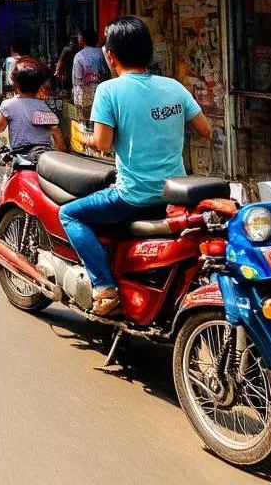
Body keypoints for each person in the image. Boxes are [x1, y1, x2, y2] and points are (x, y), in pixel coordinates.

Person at [58, 17, 212, 316]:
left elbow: (103, 144)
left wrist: (84, 137)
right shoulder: (174, 87)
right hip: (173, 196)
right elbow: (205, 129)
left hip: (133, 196)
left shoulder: (109, 91)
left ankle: (104, 286)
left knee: (70, 214)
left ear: (110, 55)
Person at [0, 57, 66, 153]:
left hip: (20, 159)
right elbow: (61, 145)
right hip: (43, 161)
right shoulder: (44, 107)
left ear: (16, 83)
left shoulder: (8, 106)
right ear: (39, 86)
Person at [71, 27, 111, 108]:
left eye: (79, 36)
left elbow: (77, 79)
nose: (78, 38)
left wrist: (77, 99)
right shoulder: (101, 53)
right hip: (102, 94)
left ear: (83, 39)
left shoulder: (79, 56)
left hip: (85, 96)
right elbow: (107, 73)